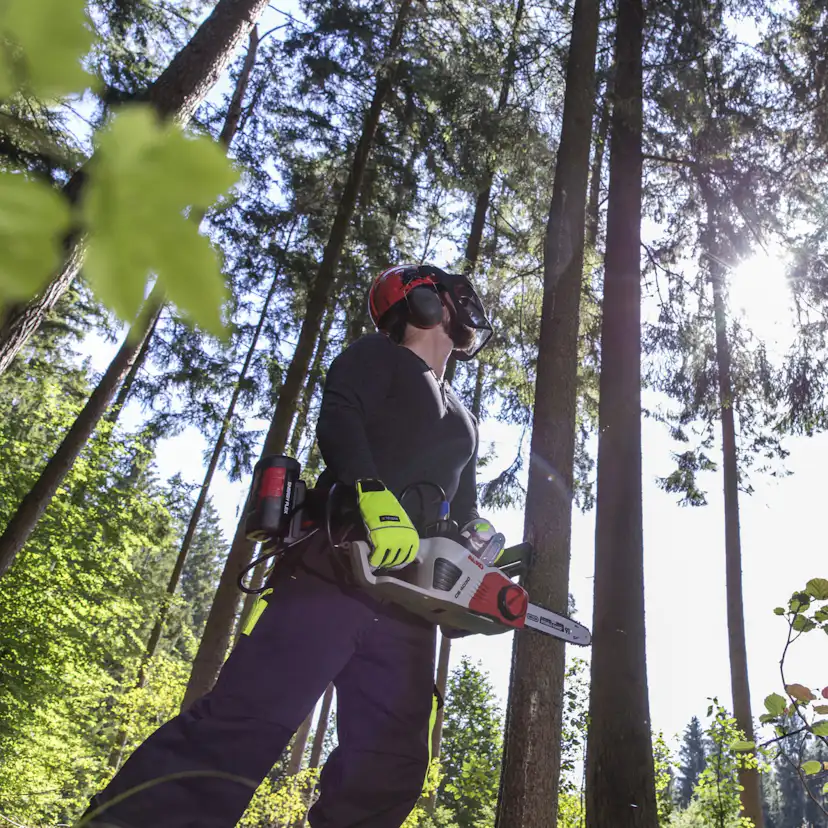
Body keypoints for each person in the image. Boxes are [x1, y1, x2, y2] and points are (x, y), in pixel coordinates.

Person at [80, 264, 496, 828]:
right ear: (420, 300)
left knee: (391, 765)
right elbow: (341, 417)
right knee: (246, 721)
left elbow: (461, 505)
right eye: (449, 296)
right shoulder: (376, 356)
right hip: (335, 565)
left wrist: (473, 554)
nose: (462, 307)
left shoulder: (464, 417)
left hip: (408, 602)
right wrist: (369, 490)